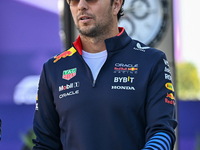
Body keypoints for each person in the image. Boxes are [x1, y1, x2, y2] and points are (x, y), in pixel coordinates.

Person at [32, 0, 178, 149]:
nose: (81, 5)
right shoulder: (53, 68)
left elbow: (161, 132)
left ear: (116, 4)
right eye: (74, 0)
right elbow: (45, 143)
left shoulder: (152, 61)